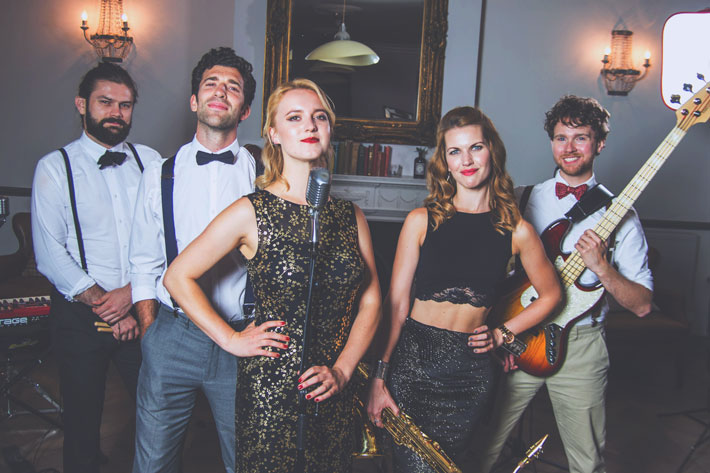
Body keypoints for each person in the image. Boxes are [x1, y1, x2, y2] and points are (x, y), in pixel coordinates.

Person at [163, 78, 382, 473]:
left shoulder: (351, 217)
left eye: (319, 117)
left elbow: (371, 301)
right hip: (270, 391)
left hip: (333, 388)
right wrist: (230, 339)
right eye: (294, 117)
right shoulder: (251, 211)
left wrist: (343, 370)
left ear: (330, 130)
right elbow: (177, 277)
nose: (310, 125)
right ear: (274, 134)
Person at [366, 106, 562, 472]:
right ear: (445, 161)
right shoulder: (420, 221)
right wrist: (380, 374)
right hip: (413, 364)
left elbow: (552, 294)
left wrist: (502, 334)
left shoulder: (517, 230)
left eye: (476, 148)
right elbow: (396, 306)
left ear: (492, 152)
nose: (466, 161)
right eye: (455, 151)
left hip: (469, 374)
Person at [477, 95, 654, 473]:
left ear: (600, 143)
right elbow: (488, 272)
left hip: (581, 346)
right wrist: (498, 332)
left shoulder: (622, 215)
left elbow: (641, 305)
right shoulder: (522, 199)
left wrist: (603, 269)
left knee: (586, 463)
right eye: (561, 138)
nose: (569, 148)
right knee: (481, 448)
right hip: (518, 334)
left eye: (581, 138)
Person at [128, 47, 256, 473]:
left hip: (242, 336)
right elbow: (144, 260)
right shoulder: (158, 173)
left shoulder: (264, 177)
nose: (220, 91)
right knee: (153, 462)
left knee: (246, 460)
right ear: (194, 100)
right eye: (211, 83)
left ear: (245, 109)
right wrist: (151, 331)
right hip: (172, 333)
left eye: (233, 87)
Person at [31, 62, 161, 473]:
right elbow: (50, 253)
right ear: (81, 104)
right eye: (105, 102)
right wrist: (109, 306)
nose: (116, 113)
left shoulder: (150, 161)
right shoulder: (54, 167)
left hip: (142, 308)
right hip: (80, 316)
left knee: (156, 414)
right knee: (82, 422)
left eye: (125, 105)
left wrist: (131, 296)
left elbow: (164, 238)